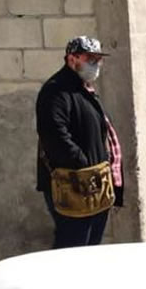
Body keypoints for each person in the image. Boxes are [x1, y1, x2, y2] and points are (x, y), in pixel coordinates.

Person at [35, 36, 124, 248]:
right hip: (75, 185)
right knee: (72, 248)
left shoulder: (84, 89)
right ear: (72, 59)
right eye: (90, 59)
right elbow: (55, 136)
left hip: (93, 185)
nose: (95, 64)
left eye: (98, 59)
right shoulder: (57, 90)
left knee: (89, 248)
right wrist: (84, 165)